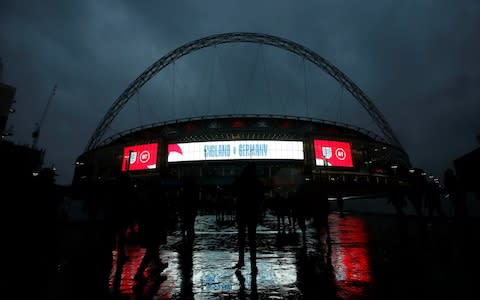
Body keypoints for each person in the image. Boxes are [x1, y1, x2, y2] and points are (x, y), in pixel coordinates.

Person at [232, 162, 264, 272]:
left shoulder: (241, 180)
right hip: (252, 212)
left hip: (242, 211)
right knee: (252, 239)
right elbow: (261, 196)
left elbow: (234, 191)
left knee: (241, 237)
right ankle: (253, 263)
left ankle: (241, 260)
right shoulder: (257, 182)